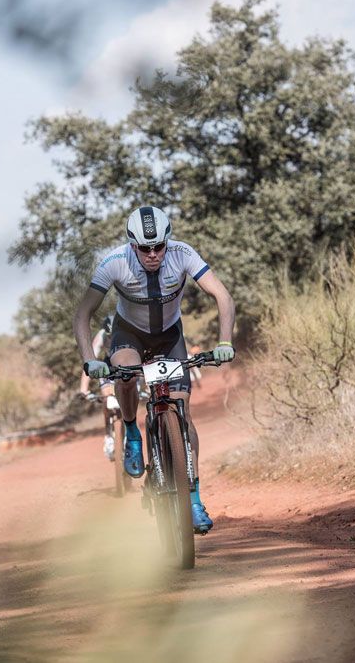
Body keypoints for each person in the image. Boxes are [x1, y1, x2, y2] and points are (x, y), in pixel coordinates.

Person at [73, 205, 235, 534]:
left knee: (184, 413)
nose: (153, 254)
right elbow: (82, 314)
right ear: (132, 245)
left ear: (167, 241)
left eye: (158, 246)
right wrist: (90, 359)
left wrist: (225, 341)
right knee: (126, 373)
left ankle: (193, 500)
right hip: (128, 334)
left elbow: (222, 295)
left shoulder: (182, 254)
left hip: (170, 336)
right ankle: (132, 431)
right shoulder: (115, 262)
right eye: (145, 248)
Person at [78, 315, 120, 460]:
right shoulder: (101, 336)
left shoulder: (129, 332)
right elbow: (90, 364)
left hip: (126, 362)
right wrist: (83, 389)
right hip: (109, 365)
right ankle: (109, 435)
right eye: (110, 335)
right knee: (108, 397)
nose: (112, 338)